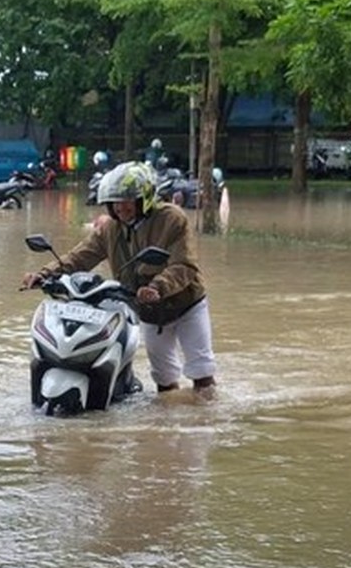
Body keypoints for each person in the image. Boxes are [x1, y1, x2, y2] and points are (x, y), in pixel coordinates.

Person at [21, 161, 217, 395]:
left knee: (201, 369)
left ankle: (207, 419)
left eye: (127, 201)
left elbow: (184, 265)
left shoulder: (172, 219)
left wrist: (158, 286)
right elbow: (80, 256)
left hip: (186, 304)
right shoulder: (110, 229)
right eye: (115, 202)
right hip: (148, 311)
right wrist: (44, 275)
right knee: (164, 377)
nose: (121, 208)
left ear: (144, 199)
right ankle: (168, 423)